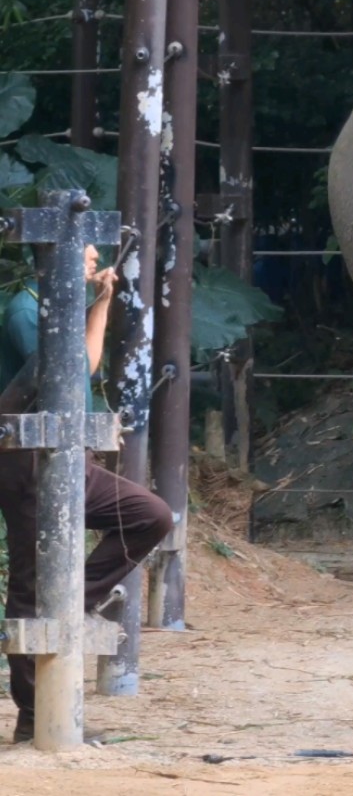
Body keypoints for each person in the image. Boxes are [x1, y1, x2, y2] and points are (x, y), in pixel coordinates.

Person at [0, 245, 174, 744]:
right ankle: (35, 716)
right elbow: (70, 381)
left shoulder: (55, 308)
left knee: (151, 516)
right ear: (49, 260)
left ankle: (73, 598)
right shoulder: (26, 311)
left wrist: (99, 303)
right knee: (32, 581)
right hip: (27, 461)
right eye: (83, 256)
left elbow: (86, 367)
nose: (93, 262)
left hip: (68, 456)